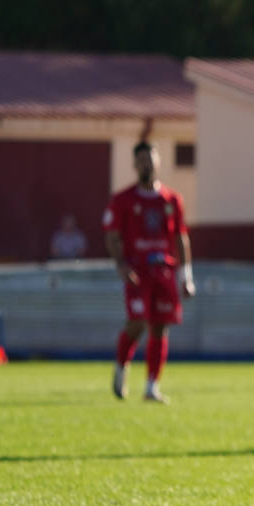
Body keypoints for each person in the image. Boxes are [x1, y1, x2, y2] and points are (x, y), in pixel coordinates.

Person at [102, 142, 196, 403]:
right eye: (142, 160)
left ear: (158, 163)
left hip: (163, 271)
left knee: (160, 326)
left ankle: (151, 386)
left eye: (150, 160)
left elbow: (180, 238)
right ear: (135, 165)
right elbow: (112, 236)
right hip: (137, 271)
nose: (146, 165)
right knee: (138, 321)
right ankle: (121, 365)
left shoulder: (172, 200)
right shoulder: (123, 200)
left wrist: (186, 276)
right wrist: (121, 265)